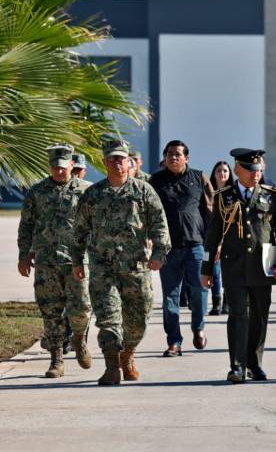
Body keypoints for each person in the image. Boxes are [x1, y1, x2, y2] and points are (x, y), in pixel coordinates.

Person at [71, 138, 171, 385]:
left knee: (138, 319)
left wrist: (159, 253)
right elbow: (79, 231)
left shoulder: (143, 191)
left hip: (136, 267)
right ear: (105, 162)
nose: (117, 163)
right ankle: (111, 366)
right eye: (112, 159)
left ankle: (128, 354)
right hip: (102, 268)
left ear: (130, 162)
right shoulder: (93, 195)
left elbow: (159, 223)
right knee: (108, 318)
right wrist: (76, 261)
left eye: (121, 159)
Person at [201, 149, 276, 383]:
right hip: (235, 265)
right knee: (238, 314)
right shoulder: (224, 197)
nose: (256, 174)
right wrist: (207, 268)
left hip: (264, 264)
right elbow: (212, 236)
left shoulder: (270, 195)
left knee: (260, 316)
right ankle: (237, 366)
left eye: (259, 170)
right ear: (237, 170)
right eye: (251, 170)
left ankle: (254, 363)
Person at [17, 144, 93, 378]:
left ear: (72, 165)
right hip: (46, 262)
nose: (59, 172)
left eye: (63, 167)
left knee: (81, 309)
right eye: (54, 167)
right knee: (50, 311)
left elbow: (96, 225)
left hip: (77, 262)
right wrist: (24, 254)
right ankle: (56, 360)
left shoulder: (86, 191)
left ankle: (79, 341)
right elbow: (27, 225)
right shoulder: (37, 192)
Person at [149, 140, 214, 357]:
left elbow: (211, 210)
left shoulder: (199, 177)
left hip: (195, 245)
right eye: (169, 154)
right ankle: (174, 341)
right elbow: (148, 213)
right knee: (170, 297)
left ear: (186, 157)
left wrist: (214, 242)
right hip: (168, 248)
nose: (173, 158)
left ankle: (198, 327)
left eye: (178, 154)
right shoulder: (156, 181)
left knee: (198, 290)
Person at [207, 161, 236, 316]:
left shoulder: (232, 194)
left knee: (226, 271)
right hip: (210, 238)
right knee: (214, 270)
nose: (222, 173)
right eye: (219, 170)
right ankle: (216, 303)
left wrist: (222, 242)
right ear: (214, 173)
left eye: (225, 170)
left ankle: (226, 302)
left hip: (228, 239)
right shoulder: (208, 193)